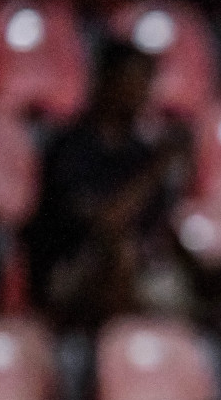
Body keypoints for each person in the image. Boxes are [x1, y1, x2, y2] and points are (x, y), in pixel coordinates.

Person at [25, 40, 192, 329]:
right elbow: (105, 224)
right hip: (70, 271)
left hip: (141, 274)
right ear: (106, 82)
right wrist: (155, 171)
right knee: (119, 256)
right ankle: (115, 359)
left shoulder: (140, 152)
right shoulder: (71, 148)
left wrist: (210, 273)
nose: (142, 93)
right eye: (132, 81)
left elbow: (160, 231)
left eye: (145, 82)